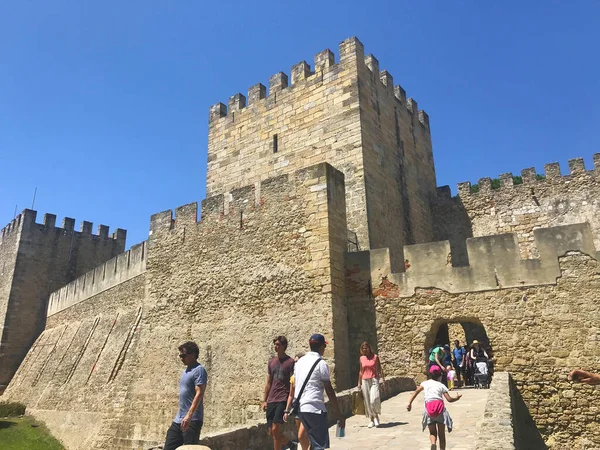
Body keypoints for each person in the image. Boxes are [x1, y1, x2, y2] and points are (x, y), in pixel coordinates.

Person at [284, 334, 345, 450]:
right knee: (319, 445)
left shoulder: (299, 363)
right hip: (315, 408)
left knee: (312, 442)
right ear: (322, 347)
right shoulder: (321, 364)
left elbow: (296, 384)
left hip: (302, 409)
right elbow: (329, 391)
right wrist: (338, 413)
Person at [163, 341, 208, 450]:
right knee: (169, 446)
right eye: (180, 355)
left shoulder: (199, 370)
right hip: (179, 419)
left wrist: (189, 415)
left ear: (193, 354)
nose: (181, 358)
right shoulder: (186, 371)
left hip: (192, 420)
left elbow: (199, 393)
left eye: (184, 355)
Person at [406, 365, 462, 450]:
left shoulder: (425, 383)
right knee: (441, 435)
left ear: (430, 374)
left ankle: (433, 444)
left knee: (432, 432)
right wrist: (457, 398)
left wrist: (409, 403)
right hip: (440, 410)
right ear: (440, 375)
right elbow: (449, 399)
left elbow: (416, 392)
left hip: (429, 410)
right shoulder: (441, 385)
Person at [263, 336, 295, 450]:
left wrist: (289, 401)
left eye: (278, 345)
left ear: (284, 346)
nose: (276, 347)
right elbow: (268, 382)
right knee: (271, 432)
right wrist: (264, 400)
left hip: (282, 398)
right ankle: (291, 445)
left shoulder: (290, 362)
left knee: (276, 429)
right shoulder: (271, 362)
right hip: (271, 399)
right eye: (275, 344)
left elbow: (292, 382)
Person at [357, 341, 386, 428]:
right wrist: (359, 383)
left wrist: (383, 379)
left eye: (366, 348)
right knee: (367, 400)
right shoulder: (362, 358)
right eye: (363, 348)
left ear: (369, 348)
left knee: (374, 398)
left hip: (374, 379)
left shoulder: (375, 357)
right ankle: (372, 419)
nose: (365, 350)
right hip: (365, 380)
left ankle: (376, 415)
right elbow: (361, 371)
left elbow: (380, 369)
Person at [285, 352, 310, 450]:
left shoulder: (307, 376)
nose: (296, 364)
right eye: (295, 362)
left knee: (301, 435)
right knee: (302, 435)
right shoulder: (293, 377)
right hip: (296, 407)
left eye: (297, 362)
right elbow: (291, 395)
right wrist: (287, 410)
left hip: (306, 406)